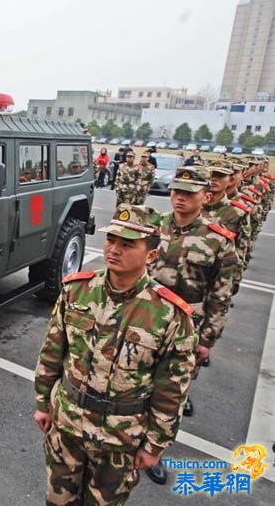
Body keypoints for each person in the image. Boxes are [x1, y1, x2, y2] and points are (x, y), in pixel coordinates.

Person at [34, 204, 196, 505]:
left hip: (121, 440)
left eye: (127, 244)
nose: (114, 249)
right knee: (57, 501)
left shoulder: (169, 314)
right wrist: (43, 402)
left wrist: (155, 444)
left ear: (151, 255)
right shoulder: (76, 291)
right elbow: (53, 350)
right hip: (68, 423)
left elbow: (171, 389)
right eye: (111, 240)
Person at [152, 166, 237, 428]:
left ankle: (157, 450)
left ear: (206, 196)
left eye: (189, 192)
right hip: (147, 318)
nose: (180, 197)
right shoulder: (154, 226)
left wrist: (208, 340)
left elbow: (220, 295)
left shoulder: (217, 239)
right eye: (177, 191)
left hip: (188, 326)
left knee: (172, 394)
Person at [203, 160, 252, 294]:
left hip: (219, 278)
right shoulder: (194, 206)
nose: (213, 180)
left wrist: (235, 281)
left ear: (230, 180)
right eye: (211, 175)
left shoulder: (237, 213)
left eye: (220, 176)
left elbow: (241, 249)